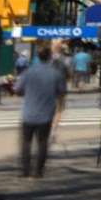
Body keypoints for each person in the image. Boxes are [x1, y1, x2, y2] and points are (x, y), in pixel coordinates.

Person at [14, 44, 68, 178]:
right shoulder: (56, 74)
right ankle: (38, 170)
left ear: (38, 56)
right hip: (46, 112)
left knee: (26, 142)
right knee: (42, 142)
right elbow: (62, 92)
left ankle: (25, 170)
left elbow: (18, 90)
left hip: (28, 112)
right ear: (49, 56)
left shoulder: (28, 72)